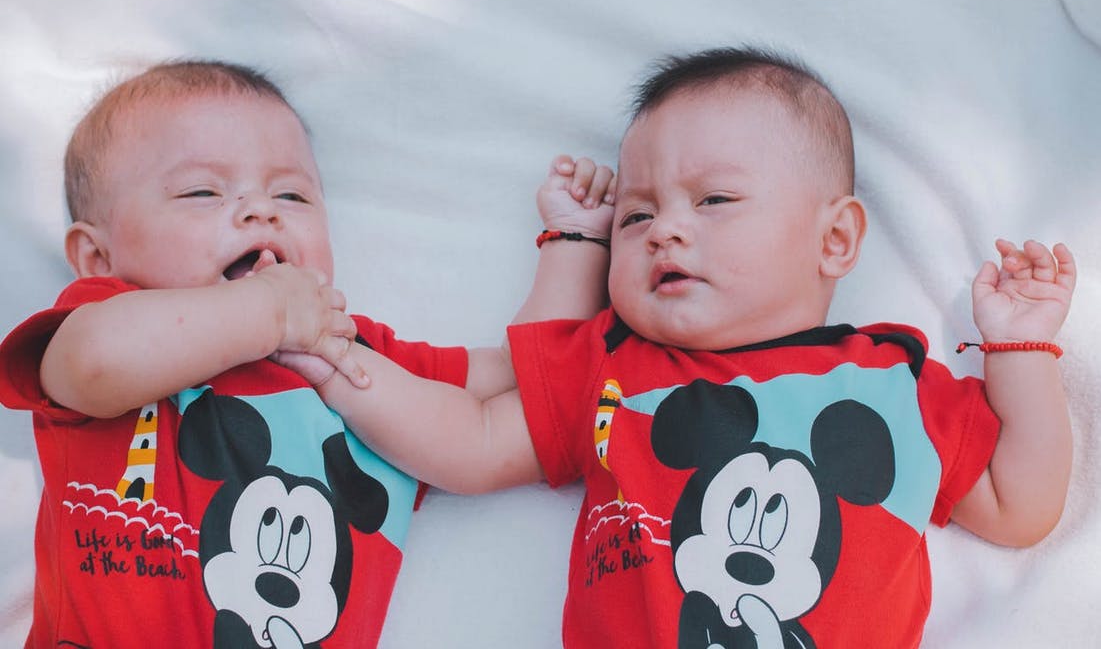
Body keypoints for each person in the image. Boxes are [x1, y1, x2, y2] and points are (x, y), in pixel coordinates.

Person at [279, 46, 1077, 648]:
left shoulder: (892, 386)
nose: (665, 227)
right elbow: (473, 442)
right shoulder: (618, 369)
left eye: (715, 199)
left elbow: (1020, 505)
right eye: (635, 215)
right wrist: (343, 372)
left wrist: (1018, 354)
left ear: (833, 239)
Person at [0, 59, 614, 649]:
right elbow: (92, 364)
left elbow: (515, 376)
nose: (260, 209)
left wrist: (574, 242)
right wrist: (267, 314)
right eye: (201, 192)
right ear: (97, 256)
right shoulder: (107, 316)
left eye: (292, 197)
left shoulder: (347, 347)